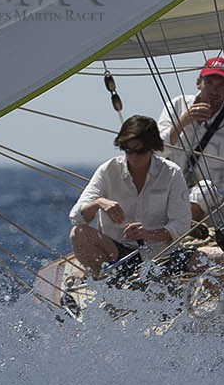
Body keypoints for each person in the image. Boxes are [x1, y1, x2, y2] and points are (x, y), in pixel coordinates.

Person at [69, 115, 192, 275]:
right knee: (78, 234)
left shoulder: (171, 173)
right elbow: (77, 217)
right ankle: (105, 282)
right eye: (128, 150)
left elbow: (181, 225)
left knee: (216, 259)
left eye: (140, 151)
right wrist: (99, 203)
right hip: (118, 257)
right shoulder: (108, 170)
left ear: (152, 147)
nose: (133, 157)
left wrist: (147, 234)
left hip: (161, 258)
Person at [157, 56, 224, 224]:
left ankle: (183, 230)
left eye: (222, 85)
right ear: (198, 83)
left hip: (206, 198)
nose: (214, 92)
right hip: (167, 186)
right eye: (209, 83)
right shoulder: (177, 105)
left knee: (206, 189)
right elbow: (157, 149)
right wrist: (183, 121)